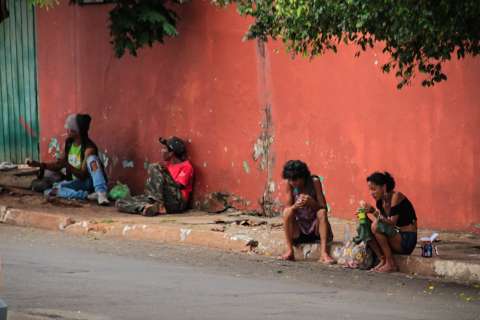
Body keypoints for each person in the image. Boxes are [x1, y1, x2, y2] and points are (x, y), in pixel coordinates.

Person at [27, 114, 109, 205]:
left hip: (89, 182)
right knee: (51, 190)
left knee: (92, 159)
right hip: (77, 182)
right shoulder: (69, 143)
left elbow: (82, 175)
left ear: (76, 131)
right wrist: (39, 164)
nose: (67, 130)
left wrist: (67, 165)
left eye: (69, 128)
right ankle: (86, 196)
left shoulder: (89, 148)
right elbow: (59, 165)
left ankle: (101, 192)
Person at [116, 136, 194, 216]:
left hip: (177, 202)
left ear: (171, 153)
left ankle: (159, 205)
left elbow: (179, 186)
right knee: (121, 202)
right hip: (163, 199)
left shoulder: (186, 166)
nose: (162, 151)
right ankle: (146, 208)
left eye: (164, 149)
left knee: (154, 167)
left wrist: (163, 175)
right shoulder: (167, 166)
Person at [359, 172, 418, 273]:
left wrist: (373, 211)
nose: (371, 193)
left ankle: (391, 264)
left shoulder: (397, 196)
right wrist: (364, 216)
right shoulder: (380, 202)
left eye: (374, 189)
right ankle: (383, 259)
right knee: (364, 226)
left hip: (406, 240)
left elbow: (391, 223)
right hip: (395, 238)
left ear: (384, 187)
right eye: (370, 190)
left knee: (376, 226)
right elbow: (382, 221)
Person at [280, 160, 334, 264]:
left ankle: (324, 253)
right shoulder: (290, 185)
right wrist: (295, 206)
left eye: (295, 180)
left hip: (315, 228)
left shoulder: (314, 182)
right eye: (290, 180)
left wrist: (312, 202)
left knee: (321, 212)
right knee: (287, 212)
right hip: (299, 230)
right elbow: (287, 208)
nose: (292, 182)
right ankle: (290, 250)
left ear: (303, 177)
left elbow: (323, 208)